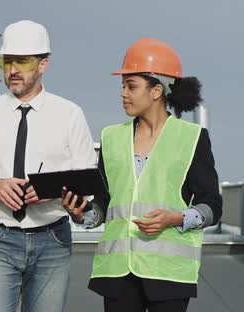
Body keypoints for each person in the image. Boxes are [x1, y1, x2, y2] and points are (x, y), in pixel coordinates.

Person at [62, 38, 222, 312]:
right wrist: (82, 214)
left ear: (156, 90)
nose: (123, 93)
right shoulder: (111, 137)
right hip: (117, 274)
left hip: (168, 274)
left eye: (131, 86)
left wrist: (177, 218)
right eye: (122, 86)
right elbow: (104, 203)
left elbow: (213, 206)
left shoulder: (192, 137)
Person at [0, 20, 97, 312]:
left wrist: (53, 192)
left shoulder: (70, 115)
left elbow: (87, 182)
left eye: (23, 61)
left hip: (52, 239)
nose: (12, 69)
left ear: (43, 64)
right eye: (7, 61)